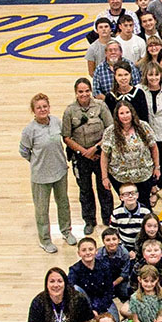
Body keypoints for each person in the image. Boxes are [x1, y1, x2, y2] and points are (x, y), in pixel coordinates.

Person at [20, 93, 75, 254]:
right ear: (33, 111)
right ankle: (45, 240)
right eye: (39, 108)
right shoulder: (29, 130)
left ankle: (66, 231)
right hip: (40, 176)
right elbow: (24, 151)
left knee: (63, 203)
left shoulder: (57, 122)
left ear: (49, 107)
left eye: (45, 106)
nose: (42, 110)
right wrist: (38, 162)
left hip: (60, 171)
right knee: (42, 209)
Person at [61, 79, 113, 235]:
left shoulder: (100, 106)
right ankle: (89, 221)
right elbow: (66, 137)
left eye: (86, 91)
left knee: (104, 188)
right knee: (85, 190)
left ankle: (108, 218)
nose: (84, 94)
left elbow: (110, 130)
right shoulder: (70, 111)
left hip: (100, 154)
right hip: (81, 157)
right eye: (80, 91)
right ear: (76, 93)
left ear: (90, 91)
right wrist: (84, 151)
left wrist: (95, 148)